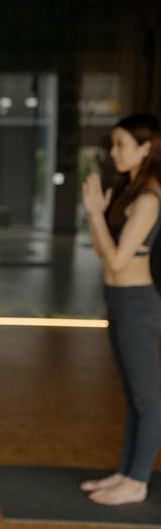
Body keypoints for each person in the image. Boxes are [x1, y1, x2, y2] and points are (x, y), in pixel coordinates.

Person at [81, 113, 161, 506]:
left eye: (121, 145)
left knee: (148, 398)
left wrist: (96, 214)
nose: (114, 153)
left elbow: (117, 259)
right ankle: (126, 472)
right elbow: (103, 253)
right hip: (118, 299)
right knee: (133, 394)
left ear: (146, 149)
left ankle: (138, 480)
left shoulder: (148, 199)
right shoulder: (130, 192)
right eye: (113, 145)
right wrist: (97, 216)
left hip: (138, 304)